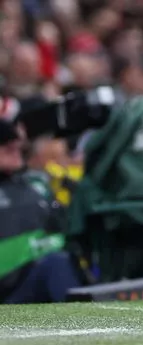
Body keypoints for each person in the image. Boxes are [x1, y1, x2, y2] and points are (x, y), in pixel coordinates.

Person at [0, 120, 81, 304]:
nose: (15, 150)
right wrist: (38, 246)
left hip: (37, 279)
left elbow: (63, 226)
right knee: (56, 263)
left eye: (16, 146)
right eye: (6, 147)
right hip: (10, 292)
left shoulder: (35, 186)